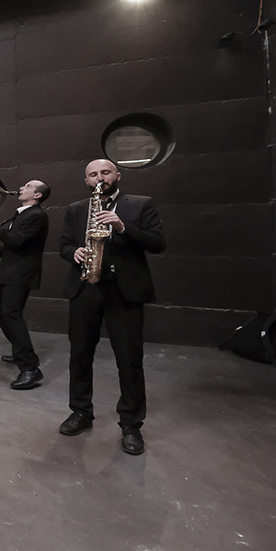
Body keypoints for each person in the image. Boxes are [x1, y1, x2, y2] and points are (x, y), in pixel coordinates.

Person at [58, 159, 165, 455]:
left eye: (105, 172)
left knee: (129, 359)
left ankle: (131, 425)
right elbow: (64, 244)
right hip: (86, 287)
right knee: (79, 354)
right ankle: (81, 411)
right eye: (92, 174)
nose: (99, 178)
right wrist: (73, 252)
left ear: (117, 175)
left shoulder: (141, 205)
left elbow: (158, 243)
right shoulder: (77, 208)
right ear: (86, 181)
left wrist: (123, 226)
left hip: (124, 291)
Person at [0, 180, 51, 389]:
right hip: (11, 273)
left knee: (11, 315)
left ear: (37, 195)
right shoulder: (23, 214)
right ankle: (19, 350)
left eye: (28, 186)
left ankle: (30, 369)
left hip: (21, 275)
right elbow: (15, 244)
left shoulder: (37, 215)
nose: (21, 188)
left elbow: (17, 240)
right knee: (2, 313)